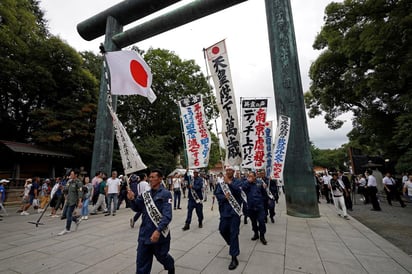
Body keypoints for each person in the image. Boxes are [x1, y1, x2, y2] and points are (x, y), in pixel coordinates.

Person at [127, 169, 175, 274]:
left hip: (159, 235)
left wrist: (158, 231)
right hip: (144, 235)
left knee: (162, 257)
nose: (150, 179)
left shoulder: (166, 194)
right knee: (141, 263)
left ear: (160, 179)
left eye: (153, 177)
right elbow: (137, 208)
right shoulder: (145, 194)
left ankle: (171, 266)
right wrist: (131, 199)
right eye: (150, 177)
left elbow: (167, 216)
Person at [214, 166, 243, 270]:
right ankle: (231, 243)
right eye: (227, 170)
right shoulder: (221, 183)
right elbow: (217, 194)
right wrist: (224, 197)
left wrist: (230, 183)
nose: (228, 172)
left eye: (230, 170)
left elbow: (240, 192)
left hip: (234, 212)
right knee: (222, 230)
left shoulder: (238, 182)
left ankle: (234, 257)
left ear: (233, 172)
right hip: (225, 212)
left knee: (234, 233)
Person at [242, 171, 268, 244]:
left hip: (259, 206)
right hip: (250, 207)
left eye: (251, 176)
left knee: (261, 221)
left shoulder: (259, 183)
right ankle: (256, 233)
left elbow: (264, 193)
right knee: (253, 222)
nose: (249, 177)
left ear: (255, 176)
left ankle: (262, 236)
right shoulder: (246, 183)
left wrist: (265, 202)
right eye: (248, 176)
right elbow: (242, 188)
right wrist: (247, 181)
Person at [58, 169, 83, 236]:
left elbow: (80, 192)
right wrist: (62, 188)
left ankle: (67, 229)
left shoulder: (79, 182)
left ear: (75, 175)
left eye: (72, 174)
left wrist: (80, 202)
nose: (70, 175)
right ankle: (76, 220)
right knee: (65, 214)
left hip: (73, 201)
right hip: (68, 200)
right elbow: (66, 189)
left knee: (68, 214)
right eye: (70, 174)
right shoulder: (69, 181)